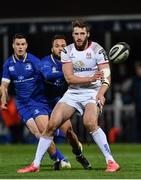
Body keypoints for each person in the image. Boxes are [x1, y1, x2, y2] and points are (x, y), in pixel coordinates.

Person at [31, 20, 120, 173]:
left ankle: (111, 161)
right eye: (76, 34)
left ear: (87, 34)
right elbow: (69, 78)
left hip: (92, 93)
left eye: (82, 33)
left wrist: (101, 94)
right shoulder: (67, 51)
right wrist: (90, 78)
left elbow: (106, 76)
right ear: (72, 35)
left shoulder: (98, 49)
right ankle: (35, 165)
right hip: (73, 92)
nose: (79, 37)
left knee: (89, 122)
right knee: (52, 124)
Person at [1, 33, 91, 173]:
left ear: (26, 46)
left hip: (54, 101)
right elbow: (4, 85)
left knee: (68, 131)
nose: (20, 47)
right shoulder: (11, 63)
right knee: (42, 132)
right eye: (17, 44)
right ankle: (59, 159)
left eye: (22, 44)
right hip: (32, 103)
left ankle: (77, 153)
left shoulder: (35, 61)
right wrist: (3, 99)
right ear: (13, 46)